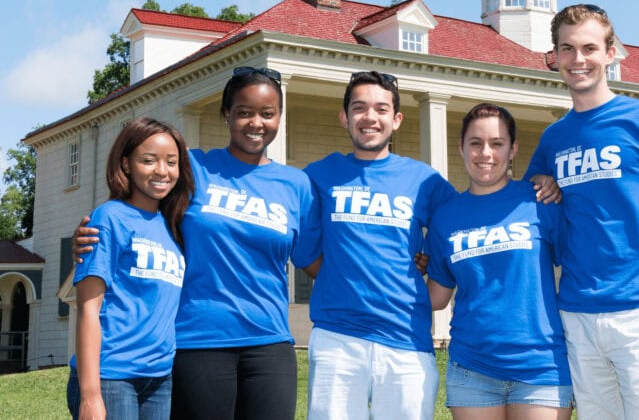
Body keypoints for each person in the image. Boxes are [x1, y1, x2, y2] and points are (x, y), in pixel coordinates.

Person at [76, 67, 315, 419]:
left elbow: (316, 260)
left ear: (280, 116)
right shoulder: (193, 168)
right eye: (244, 112)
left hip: (269, 340)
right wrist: (89, 237)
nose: (256, 123)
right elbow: (140, 203)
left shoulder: (296, 185)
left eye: (268, 113)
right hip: (198, 340)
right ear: (226, 115)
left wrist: (402, 271)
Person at [523, 3, 639, 418]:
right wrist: (543, 181)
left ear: (611, 52)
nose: (578, 59)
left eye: (589, 47)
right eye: (567, 49)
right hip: (576, 311)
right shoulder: (553, 139)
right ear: (554, 57)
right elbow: (530, 199)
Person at [292, 71, 459, 419]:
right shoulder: (319, 175)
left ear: (396, 120)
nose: (370, 117)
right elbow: (306, 251)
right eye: (359, 108)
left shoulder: (423, 179)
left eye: (381, 109)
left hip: (406, 341)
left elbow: (463, 220)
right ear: (344, 117)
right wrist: (342, 273)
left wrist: (434, 261)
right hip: (337, 337)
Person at [425, 103, 572, 418]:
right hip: (472, 368)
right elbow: (437, 297)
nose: (485, 153)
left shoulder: (540, 200)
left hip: (541, 367)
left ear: (513, 149)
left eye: (497, 143)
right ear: (461, 147)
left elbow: (581, 257)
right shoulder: (446, 217)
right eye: (475, 143)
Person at [66, 117, 193, 420]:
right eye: (149, 161)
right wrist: (90, 395)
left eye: (171, 162)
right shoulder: (108, 218)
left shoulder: (174, 227)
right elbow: (87, 310)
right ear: (126, 165)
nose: (162, 171)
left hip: (160, 377)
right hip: (111, 375)